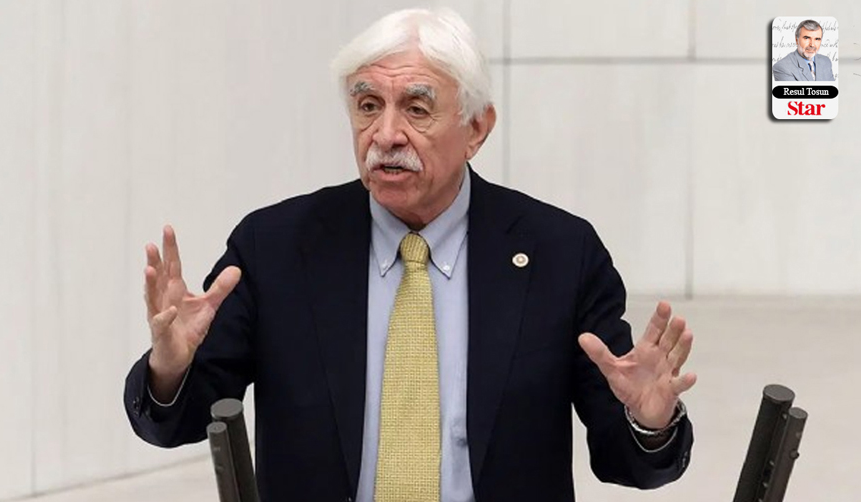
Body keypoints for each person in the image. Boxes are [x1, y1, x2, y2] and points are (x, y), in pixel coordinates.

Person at [125, 8, 696, 502]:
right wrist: (170, 367)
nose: (385, 134)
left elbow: (627, 461)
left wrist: (649, 421)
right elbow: (179, 422)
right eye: (368, 105)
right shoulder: (275, 248)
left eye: (417, 109)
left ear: (477, 128)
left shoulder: (560, 255)